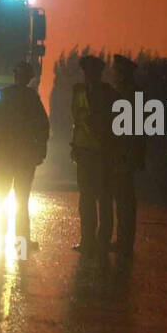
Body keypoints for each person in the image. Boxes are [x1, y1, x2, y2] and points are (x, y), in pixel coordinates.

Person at [0, 60, 49, 250]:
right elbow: (43, 126)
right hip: (23, 157)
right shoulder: (31, 98)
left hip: (2, 155)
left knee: (1, 196)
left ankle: (0, 238)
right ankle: (22, 242)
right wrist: (40, 149)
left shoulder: (4, 95)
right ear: (29, 78)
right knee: (21, 198)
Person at [71, 54, 116, 266]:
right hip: (85, 152)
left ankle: (101, 240)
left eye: (91, 71)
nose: (88, 75)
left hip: (102, 153)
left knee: (102, 198)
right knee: (87, 199)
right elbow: (76, 121)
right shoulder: (79, 91)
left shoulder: (108, 95)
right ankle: (88, 240)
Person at [111, 54, 145, 265]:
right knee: (123, 198)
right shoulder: (130, 93)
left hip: (124, 152)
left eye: (117, 71)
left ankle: (124, 240)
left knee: (124, 198)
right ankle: (123, 239)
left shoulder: (128, 95)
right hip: (126, 152)